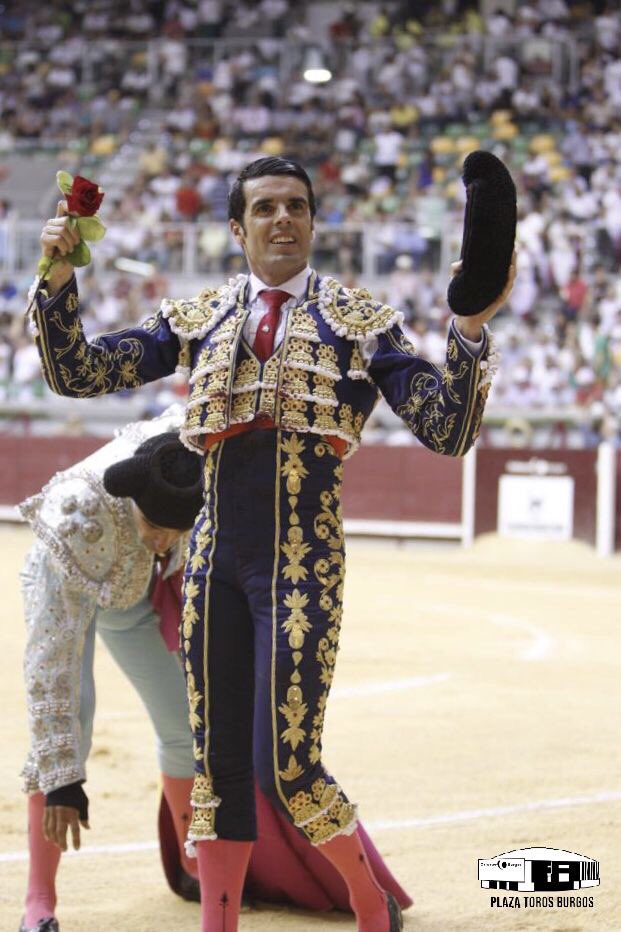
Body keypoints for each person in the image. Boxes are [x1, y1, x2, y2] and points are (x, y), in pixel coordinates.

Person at [29, 155, 514, 932]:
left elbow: (446, 430)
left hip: (301, 567)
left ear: (313, 223)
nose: (282, 219)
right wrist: (56, 278)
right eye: (264, 208)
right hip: (214, 564)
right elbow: (77, 371)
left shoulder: (358, 321)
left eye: (295, 206)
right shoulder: (198, 318)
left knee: (289, 770)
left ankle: (368, 908)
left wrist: (467, 328)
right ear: (237, 228)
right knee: (219, 773)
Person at [18, 412, 205, 932]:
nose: (165, 540)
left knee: (185, 724)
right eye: (155, 527)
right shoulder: (76, 517)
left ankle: (194, 862)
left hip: (132, 595)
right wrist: (63, 782)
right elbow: (50, 660)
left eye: (176, 531)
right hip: (64, 585)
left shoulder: (192, 457)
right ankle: (39, 903)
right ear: (131, 503)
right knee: (67, 731)